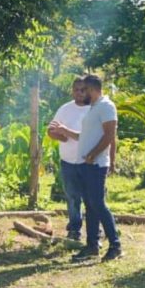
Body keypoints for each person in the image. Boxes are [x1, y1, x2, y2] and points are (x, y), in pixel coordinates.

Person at [72, 73, 121, 262]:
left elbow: (109, 135)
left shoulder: (106, 106)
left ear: (92, 90)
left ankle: (115, 245)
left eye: (83, 90)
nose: (80, 93)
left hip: (96, 164)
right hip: (86, 164)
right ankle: (92, 245)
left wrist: (93, 154)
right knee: (90, 206)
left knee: (98, 205)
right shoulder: (93, 107)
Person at [47, 77, 91, 241]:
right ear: (72, 91)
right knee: (72, 197)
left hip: (89, 161)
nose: (79, 93)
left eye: (82, 90)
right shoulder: (65, 109)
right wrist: (59, 135)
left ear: (88, 90)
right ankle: (74, 229)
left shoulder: (93, 109)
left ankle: (95, 230)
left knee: (90, 198)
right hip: (68, 161)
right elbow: (50, 130)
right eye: (76, 90)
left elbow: (88, 137)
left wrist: (66, 131)